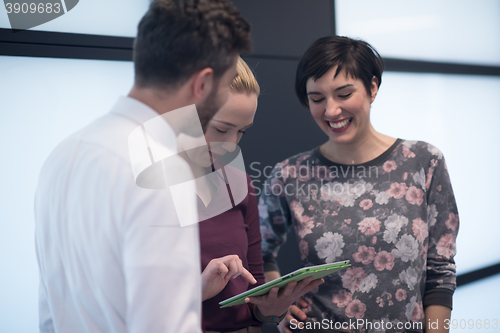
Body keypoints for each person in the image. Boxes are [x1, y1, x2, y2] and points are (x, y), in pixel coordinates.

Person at [34, 1, 251, 332]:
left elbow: (50, 307)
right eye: (224, 88)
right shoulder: (162, 171)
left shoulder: (62, 156)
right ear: (203, 83)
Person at [259, 36, 459, 333]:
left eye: (343, 94)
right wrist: (277, 306)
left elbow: (440, 268)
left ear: (372, 88)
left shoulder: (423, 161)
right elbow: (258, 251)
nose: (331, 111)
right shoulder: (290, 174)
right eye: (317, 99)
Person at [184, 57, 324, 333]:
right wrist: (195, 293)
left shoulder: (238, 182)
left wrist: (271, 310)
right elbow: (117, 302)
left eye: (242, 132)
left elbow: (256, 303)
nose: (231, 145)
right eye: (222, 129)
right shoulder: (139, 189)